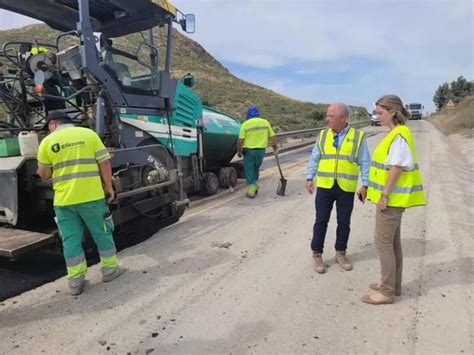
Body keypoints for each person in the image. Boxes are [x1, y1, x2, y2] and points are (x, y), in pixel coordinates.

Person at [36, 111, 125, 296]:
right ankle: (109, 270)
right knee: (102, 232)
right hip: (91, 198)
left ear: (53, 124)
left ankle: (76, 281)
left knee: (70, 240)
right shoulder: (88, 135)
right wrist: (109, 187)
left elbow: (43, 174)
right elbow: (105, 164)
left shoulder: (47, 142)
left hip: (64, 201)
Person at [362, 95, 425, 305]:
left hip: (391, 201)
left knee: (383, 245)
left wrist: (384, 195)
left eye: (380, 112)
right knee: (393, 244)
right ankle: (393, 285)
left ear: (393, 112)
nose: (376, 116)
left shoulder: (399, 135)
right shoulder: (395, 133)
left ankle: (387, 292)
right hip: (393, 200)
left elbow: (396, 167)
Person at [305, 103, 370, 273]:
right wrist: (309, 177)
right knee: (320, 221)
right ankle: (317, 254)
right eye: (327, 115)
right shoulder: (323, 135)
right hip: (325, 186)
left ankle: (341, 253)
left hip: (345, 188)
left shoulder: (358, 137)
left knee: (344, 222)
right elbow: (314, 157)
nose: (327, 118)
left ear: (343, 118)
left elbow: (365, 163)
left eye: (331, 115)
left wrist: (365, 184)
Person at [237, 105, 278, 198]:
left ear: (248, 115)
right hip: (261, 151)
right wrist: (275, 146)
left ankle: (251, 191)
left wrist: (238, 150)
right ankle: (255, 185)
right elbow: (273, 136)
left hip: (249, 151)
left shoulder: (245, 124)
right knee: (256, 168)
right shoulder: (265, 122)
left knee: (249, 169)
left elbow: (240, 140)